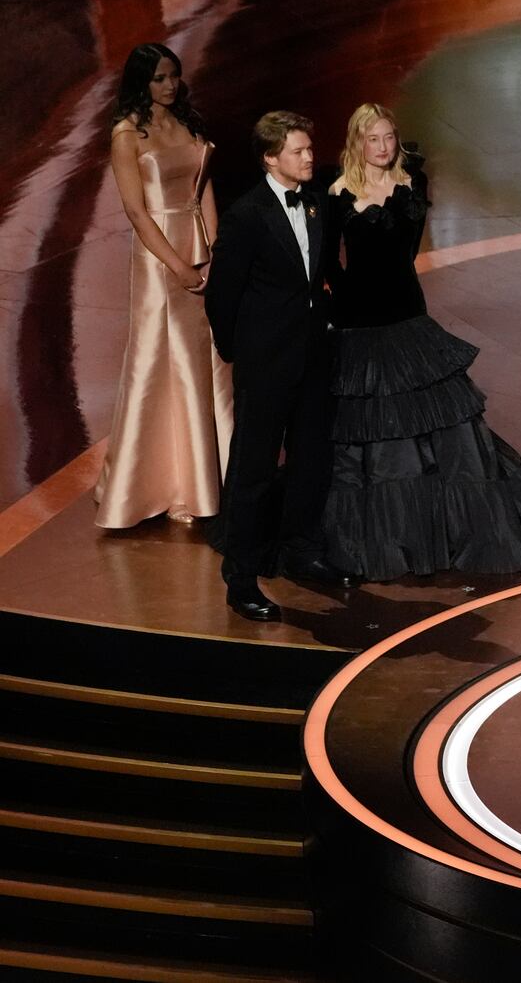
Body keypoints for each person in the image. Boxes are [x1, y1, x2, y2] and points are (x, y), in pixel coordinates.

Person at [321, 104, 521, 581]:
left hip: (407, 314)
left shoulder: (413, 183)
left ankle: (451, 525)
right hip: (359, 323)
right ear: (356, 143)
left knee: (443, 425)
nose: (384, 147)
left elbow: (407, 251)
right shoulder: (337, 193)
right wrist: (340, 312)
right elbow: (329, 264)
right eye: (374, 140)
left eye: (389, 137)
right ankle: (392, 531)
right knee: (372, 433)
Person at [206, 112, 354, 621]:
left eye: (310, 148)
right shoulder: (246, 216)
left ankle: (301, 551)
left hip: (313, 357)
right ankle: (241, 578)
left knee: (312, 460)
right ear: (271, 158)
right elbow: (221, 296)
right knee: (254, 470)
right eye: (298, 151)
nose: (310, 157)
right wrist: (240, 353)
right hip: (266, 364)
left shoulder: (315, 202)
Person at [94, 43, 231, 528]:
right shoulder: (127, 135)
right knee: (160, 364)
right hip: (160, 259)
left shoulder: (189, 123)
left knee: (210, 363)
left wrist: (216, 255)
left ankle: (214, 477)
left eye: (173, 75)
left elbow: (204, 189)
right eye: (158, 78)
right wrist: (178, 267)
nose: (169, 85)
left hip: (200, 250)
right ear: (140, 82)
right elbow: (136, 212)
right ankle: (164, 484)